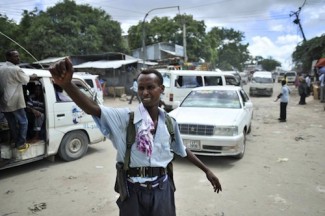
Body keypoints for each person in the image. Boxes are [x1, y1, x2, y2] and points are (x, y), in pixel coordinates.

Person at [49, 58, 222, 216]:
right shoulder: (124, 119)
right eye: (141, 88)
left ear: (161, 89)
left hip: (162, 189)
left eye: (150, 87)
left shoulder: (169, 123)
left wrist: (207, 170)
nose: (145, 92)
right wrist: (67, 85)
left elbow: (181, 149)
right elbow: (93, 109)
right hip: (132, 192)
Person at [0, 50, 36, 152]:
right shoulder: (16, 69)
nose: (18, 58)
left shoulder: (1, 68)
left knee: (12, 123)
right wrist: (32, 76)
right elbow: (26, 80)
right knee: (23, 122)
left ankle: (15, 141)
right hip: (15, 102)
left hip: (4, 102)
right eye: (16, 56)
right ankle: (20, 144)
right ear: (9, 58)